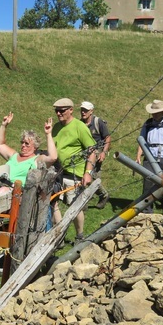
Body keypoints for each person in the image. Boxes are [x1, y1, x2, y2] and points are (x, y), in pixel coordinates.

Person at [50, 98, 97, 242]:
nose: (59, 113)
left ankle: (79, 235)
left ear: (71, 110)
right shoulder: (56, 128)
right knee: (54, 203)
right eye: (56, 111)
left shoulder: (79, 127)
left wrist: (88, 173)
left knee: (75, 206)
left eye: (62, 111)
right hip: (57, 172)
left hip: (74, 174)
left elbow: (92, 150)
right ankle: (60, 236)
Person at [135, 99, 163, 213]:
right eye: (153, 112)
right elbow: (142, 141)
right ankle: (147, 210)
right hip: (150, 157)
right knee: (148, 182)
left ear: (162, 112)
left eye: (156, 112)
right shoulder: (148, 123)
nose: (154, 115)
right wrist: (138, 156)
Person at [79, 101, 111, 209]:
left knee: (94, 179)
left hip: (96, 154)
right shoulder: (80, 123)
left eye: (86, 111)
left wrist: (104, 152)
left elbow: (107, 138)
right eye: (82, 110)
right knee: (84, 177)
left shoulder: (98, 122)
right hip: (84, 154)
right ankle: (84, 203)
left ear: (91, 111)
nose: (83, 112)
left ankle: (104, 195)